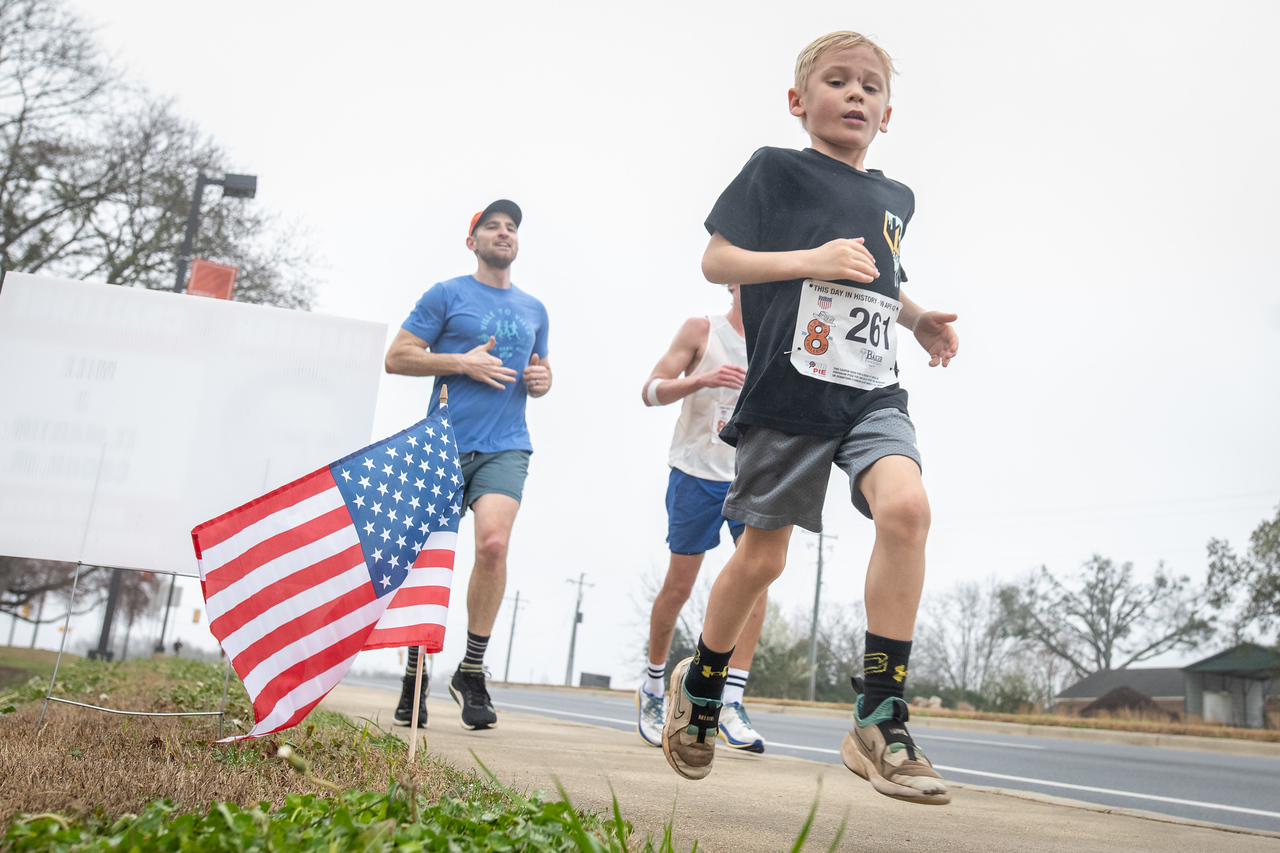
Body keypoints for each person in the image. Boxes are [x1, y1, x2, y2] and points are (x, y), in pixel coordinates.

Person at [660, 32, 959, 807]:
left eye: (870, 87)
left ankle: (878, 714)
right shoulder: (775, 170)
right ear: (801, 101)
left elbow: (879, 284)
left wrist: (918, 318)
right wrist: (807, 261)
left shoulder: (896, 200)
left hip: (868, 391)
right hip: (789, 392)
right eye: (838, 82)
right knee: (762, 561)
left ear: (888, 113)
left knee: (907, 508)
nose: (856, 95)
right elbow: (718, 260)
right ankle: (702, 682)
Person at [384, 199, 550, 730]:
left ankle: (472, 671)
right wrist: (460, 361)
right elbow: (398, 355)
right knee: (428, 557)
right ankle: (416, 673)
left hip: (507, 443)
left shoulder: (535, 309)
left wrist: (543, 382)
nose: (505, 233)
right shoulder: (446, 295)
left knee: (493, 545)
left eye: (512, 228)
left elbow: (539, 371)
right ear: (472, 240)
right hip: (443, 441)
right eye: (493, 226)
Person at [637, 284, 768, 753]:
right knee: (679, 586)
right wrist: (699, 380)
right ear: (732, 281)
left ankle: (730, 700)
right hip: (695, 473)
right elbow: (650, 391)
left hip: (748, 476)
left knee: (757, 581)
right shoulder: (701, 330)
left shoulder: (777, 336)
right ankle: (653, 688)